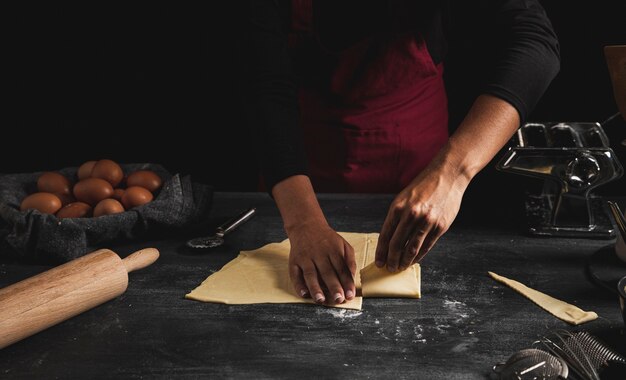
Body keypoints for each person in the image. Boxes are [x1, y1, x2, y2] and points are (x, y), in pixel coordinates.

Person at [244, 0, 560, 305]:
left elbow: (534, 39)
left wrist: (451, 174)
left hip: (416, 156)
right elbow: (265, 85)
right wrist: (302, 223)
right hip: (298, 166)